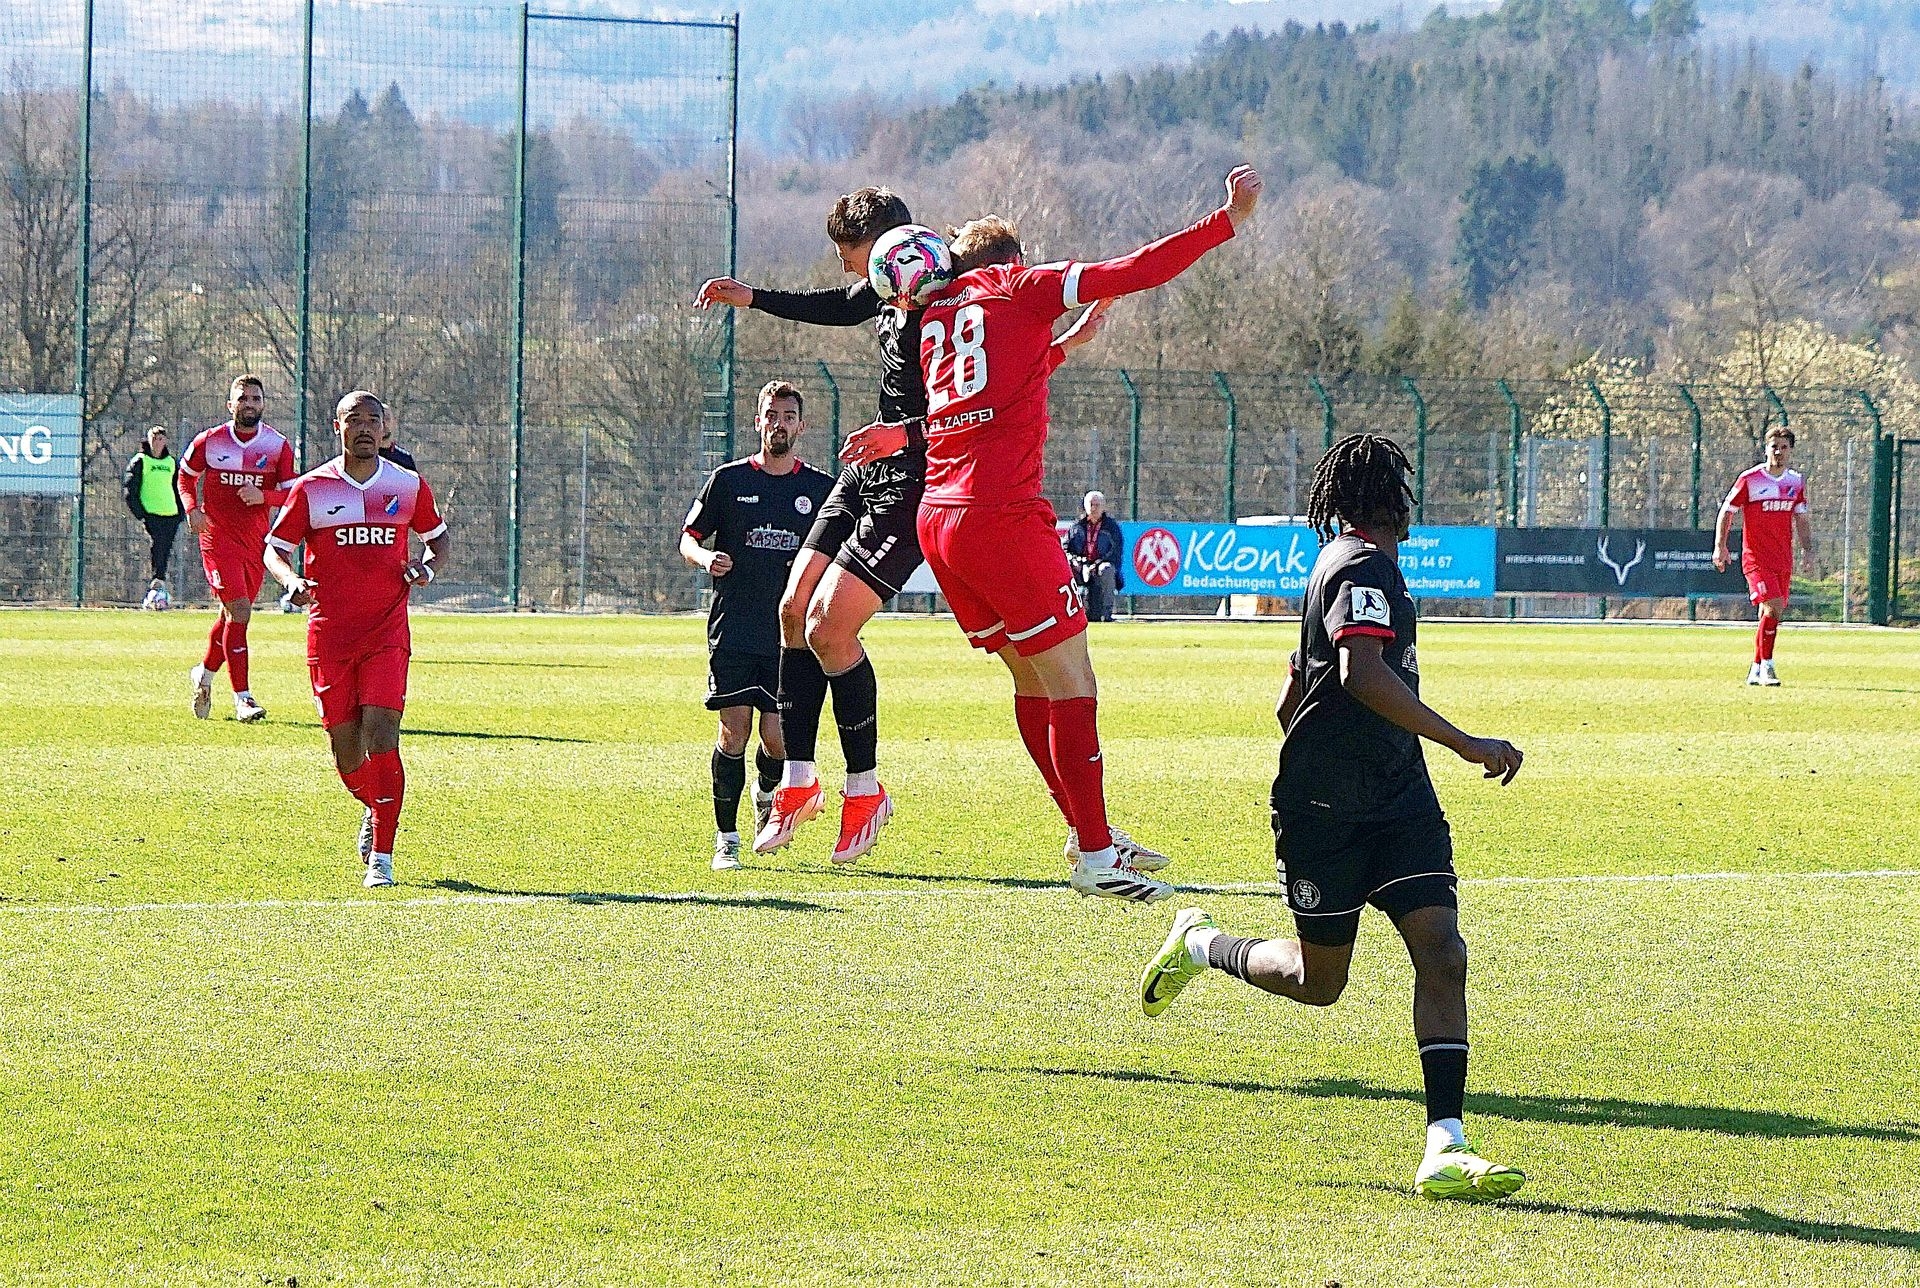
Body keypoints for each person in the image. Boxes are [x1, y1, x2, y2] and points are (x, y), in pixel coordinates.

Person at [1136, 434, 1527, 1201]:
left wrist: (1331, 743)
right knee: (1319, 983)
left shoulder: (1342, 565)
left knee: (1443, 952)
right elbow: (1358, 672)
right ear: (1390, 501)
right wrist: (1464, 742)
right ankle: (1203, 944)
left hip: (1397, 802)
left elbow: (1295, 691)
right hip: (1327, 813)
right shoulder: (1359, 565)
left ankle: (1446, 1145)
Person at [696, 204, 1124, 867]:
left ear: (882, 243)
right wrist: (751, 297)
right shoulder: (893, 286)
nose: (846, 267)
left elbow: (981, 401)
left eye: (849, 252)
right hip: (870, 467)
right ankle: (800, 779)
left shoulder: (941, 294)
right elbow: (836, 306)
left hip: (916, 483)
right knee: (793, 610)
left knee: (830, 627)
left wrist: (1061, 345)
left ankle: (865, 789)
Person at [906, 166, 1263, 901]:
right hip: (1000, 517)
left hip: (940, 518)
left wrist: (1064, 346)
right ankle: (1097, 856)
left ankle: (1084, 828)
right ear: (1012, 260)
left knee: (1032, 679)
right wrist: (1225, 220)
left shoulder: (936, 313)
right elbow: (1133, 269)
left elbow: (995, 383)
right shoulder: (1017, 286)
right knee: (1075, 684)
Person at [264, 391, 449, 889]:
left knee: (383, 735)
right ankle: (374, 804)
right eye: (355, 420)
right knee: (346, 753)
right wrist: (290, 581)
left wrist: (426, 569)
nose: (365, 428)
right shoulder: (312, 487)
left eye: (373, 420)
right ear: (338, 427)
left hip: (387, 632)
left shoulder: (406, 484)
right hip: (330, 635)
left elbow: (438, 540)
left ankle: (382, 857)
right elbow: (275, 549)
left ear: (384, 428)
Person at [680, 380, 835, 872]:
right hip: (735, 629)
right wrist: (706, 558)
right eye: (771, 415)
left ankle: (767, 793)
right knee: (734, 732)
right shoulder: (727, 481)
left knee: (777, 740)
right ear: (758, 422)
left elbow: (842, 552)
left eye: (788, 416)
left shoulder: (821, 490)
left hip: (790, 637)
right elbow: (688, 538)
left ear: (801, 426)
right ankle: (726, 839)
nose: (779, 424)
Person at [179, 375, 297, 723]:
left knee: (231, 616)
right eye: (243, 398)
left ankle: (204, 673)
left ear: (263, 404)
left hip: (256, 543)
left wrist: (264, 496)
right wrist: (192, 509)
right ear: (230, 405)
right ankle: (243, 698)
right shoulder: (210, 441)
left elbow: (291, 494)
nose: (249, 404)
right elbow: (185, 476)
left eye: (255, 398)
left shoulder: (277, 445)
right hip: (216, 540)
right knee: (241, 611)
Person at [1714, 426, 1817, 686]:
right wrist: (1720, 546)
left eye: (1784, 447)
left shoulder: (1795, 482)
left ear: (1790, 451)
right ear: (1766, 449)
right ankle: (1768, 668)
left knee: (1771, 613)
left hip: (1782, 558)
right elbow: (1727, 512)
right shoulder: (1750, 479)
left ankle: (1756, 666)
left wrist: (1808, 551)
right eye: (1774, 447)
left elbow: (1801, 519)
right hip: (1756, 559)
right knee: (1773, 606)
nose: (1778, 452)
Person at [123, 425, 183, 609]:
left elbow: (180, 487)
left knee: (165, 547)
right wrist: (140, 513)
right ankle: (157, 581)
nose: (158, 442)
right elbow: (130, 488)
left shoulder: (171, 462)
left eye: (161, 439)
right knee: (156, 545)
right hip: (151, 514)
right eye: (154, 439)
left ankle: (159, 583)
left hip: (170, 513)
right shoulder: (140, 461)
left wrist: (181, 512)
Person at [1063, 490, 1125, 622]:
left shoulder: (1111, 527)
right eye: (1091, 504)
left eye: (1097, 505)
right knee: (1066, 567)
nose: (1094, 508)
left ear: (1103, 507)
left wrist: (1096, 564)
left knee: (1106, 569)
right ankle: (1068, 613)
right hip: (1080, 565)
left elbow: (1115, 552)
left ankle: (1106, 613)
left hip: (1100, 564)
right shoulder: (1076, 526)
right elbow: (1065, 548)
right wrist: (1076, 561)